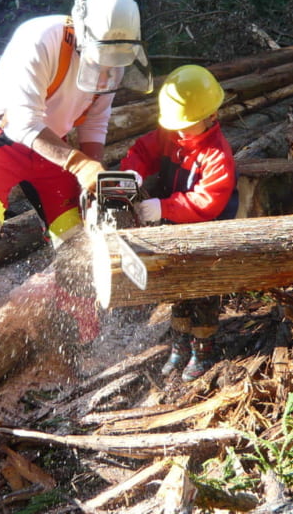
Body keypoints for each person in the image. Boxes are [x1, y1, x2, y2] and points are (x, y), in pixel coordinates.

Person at [0, 0, 152, 340]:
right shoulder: (41, 37)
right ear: (83, 30)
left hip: (54, 145)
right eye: (101, 60)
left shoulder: (115, 55)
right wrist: (81, 165)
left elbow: (95, 122)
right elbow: (22, 120)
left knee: (77, 240)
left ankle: (77, 325)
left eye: (114, 63)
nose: (107, 70)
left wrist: (94, 181)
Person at [118, 64, 238, 381]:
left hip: (207, 236)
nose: (180, 131)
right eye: (178, 125)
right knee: (178, 290)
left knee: (202, 293)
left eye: (186, 125)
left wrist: (163, 207)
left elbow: (207, 202)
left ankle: (203, 348)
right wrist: (133, 171)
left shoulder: (217, 156)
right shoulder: (174, 135)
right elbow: (144, 149)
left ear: (211, 116)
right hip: (177, 231)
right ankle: (180, 345)